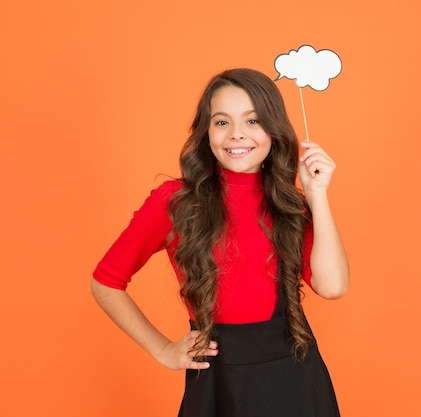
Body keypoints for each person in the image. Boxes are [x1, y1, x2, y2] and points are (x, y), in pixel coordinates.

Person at [91, 68, 349, 417]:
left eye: (253, 120)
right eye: (222, 122)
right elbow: (106, 281)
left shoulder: (290, 205)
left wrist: (317, 195)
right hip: (218, 383)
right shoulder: (175, 202)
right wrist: (163, 349)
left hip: (295, 379)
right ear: (206, 132)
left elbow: (332, 286)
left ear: (273, 130)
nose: (237, 135)